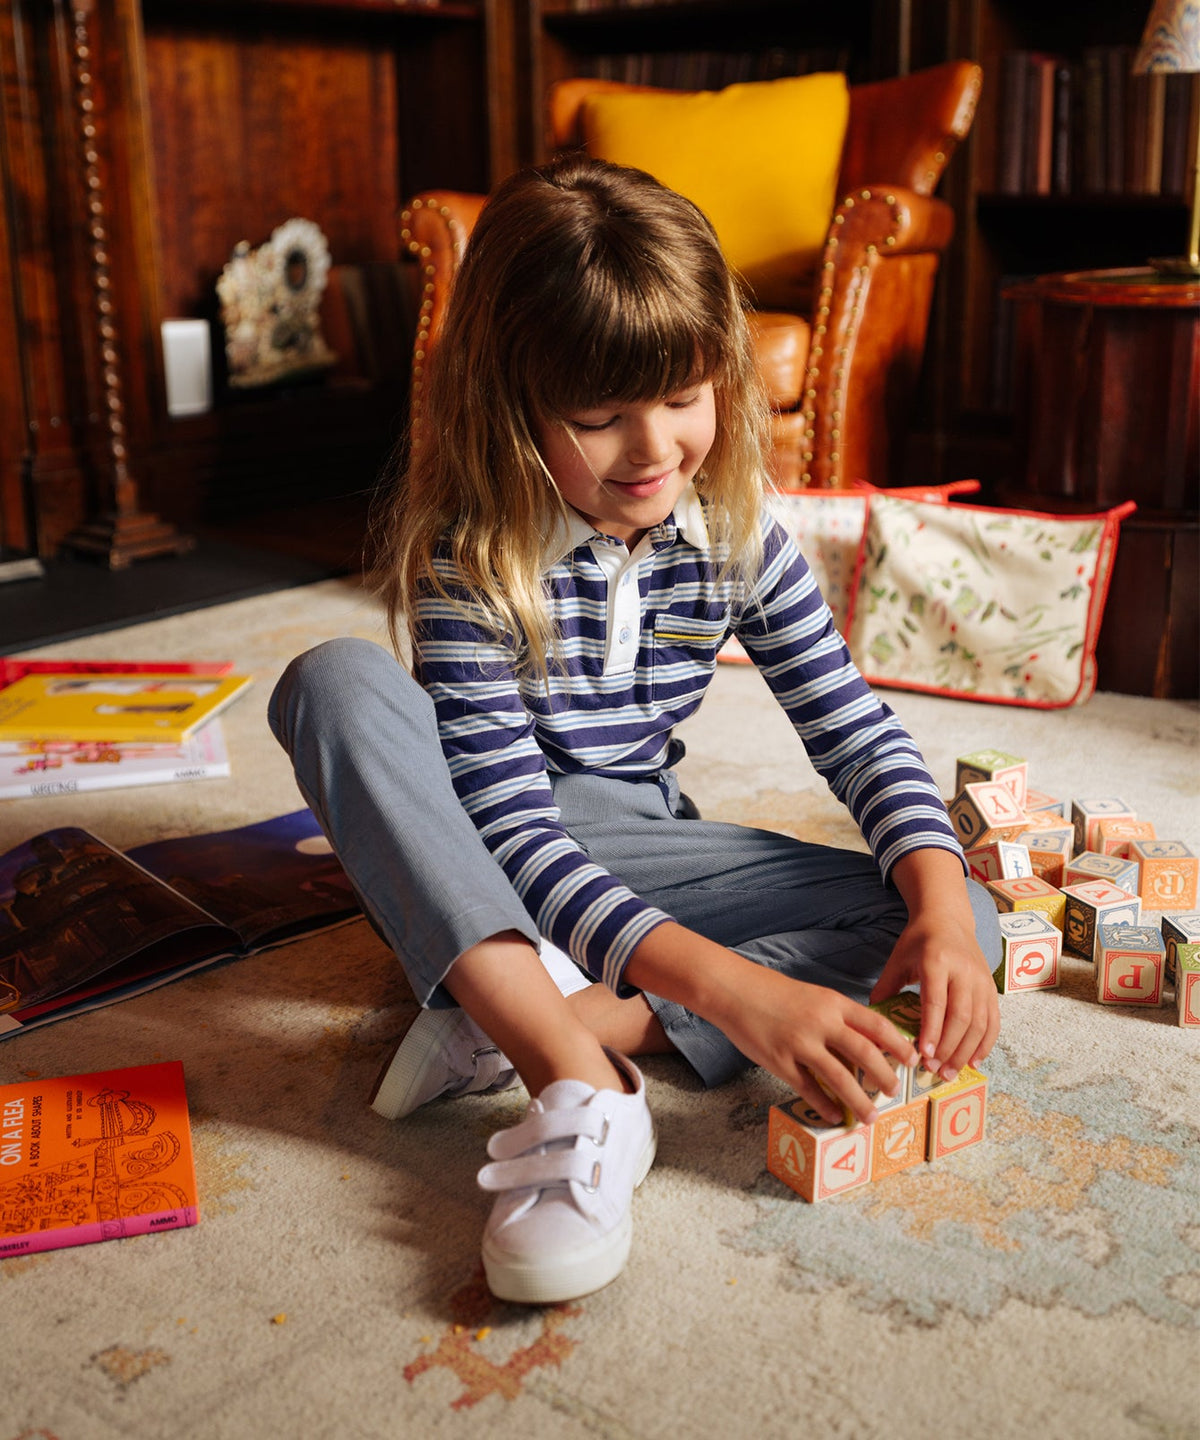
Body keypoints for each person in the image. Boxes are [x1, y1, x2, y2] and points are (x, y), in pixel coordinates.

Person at [269, 155, 1001, 1309]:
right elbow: (512, 830)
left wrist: (946, 914)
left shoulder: (737, 533)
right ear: (513, 411)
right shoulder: (472, 552)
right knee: (333, 680)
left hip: (634, 846)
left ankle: (557, 1008)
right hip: (469, 852)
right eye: (600, 418)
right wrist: (729, 993)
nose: (653, 449)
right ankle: (570, 1068)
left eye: (684, 396)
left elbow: (856, 734)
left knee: (962, 917)